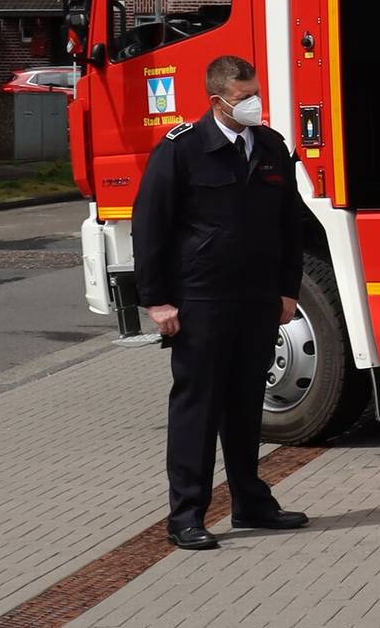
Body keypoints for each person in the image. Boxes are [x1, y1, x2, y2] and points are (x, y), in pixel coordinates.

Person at [132, 53, 312, 549]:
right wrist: (158, 301)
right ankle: (186, 515)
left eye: (256, 93)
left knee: (245, 405)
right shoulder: (181, 150)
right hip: (201, 299)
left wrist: (287, 290)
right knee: (198, 407)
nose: (253, 103)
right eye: (243, 97)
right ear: (217, 100)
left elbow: (289, 225)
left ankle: (250, 502)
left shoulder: (272, 146)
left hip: (257, 299)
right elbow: (150, 229)